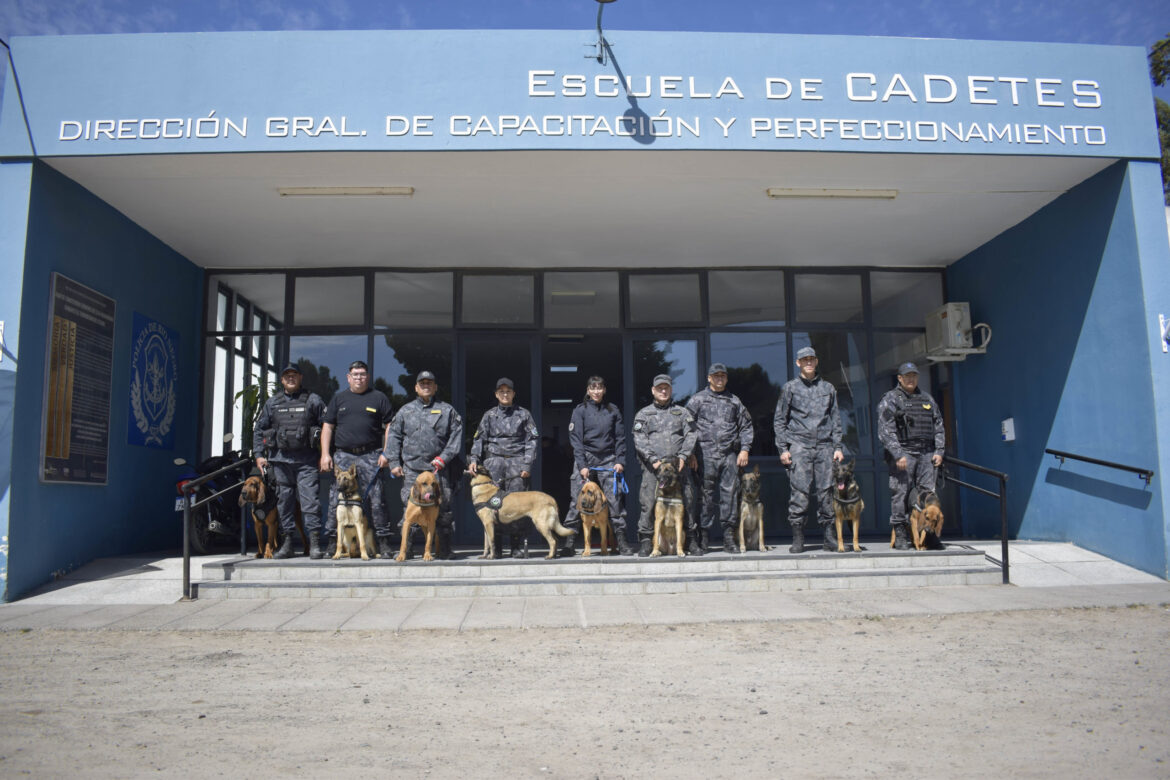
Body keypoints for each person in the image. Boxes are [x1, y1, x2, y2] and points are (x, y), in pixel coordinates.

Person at [318, 360, 395, 559]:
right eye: (355, 374)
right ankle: (333, 542)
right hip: (344, 455)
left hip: (371, 455)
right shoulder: (338, 398)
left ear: (367, 377)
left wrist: (386, 452)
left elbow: (390, 426)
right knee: (337, 499)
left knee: (377, 500)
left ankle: (384, 542)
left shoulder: (379, 397)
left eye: (362, 374)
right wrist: (325, 454)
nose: (359, 377)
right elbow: (328, 427)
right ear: (348, 377)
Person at [385, 371, 463, 560]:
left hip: (438, 471)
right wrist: (394, 462)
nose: (426, 386)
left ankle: (443, 549)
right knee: (410, 512)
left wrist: (444, 458)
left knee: (443, 509)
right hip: (412, 471)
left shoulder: (447, 410)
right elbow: (393, 437)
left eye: (430, 383)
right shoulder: (405, 411)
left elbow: (456, 437)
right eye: (422, 383)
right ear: (416, 387)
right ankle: (408, 549)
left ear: (435, 387)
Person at [773, 347, 844, 553]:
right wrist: (783, 449)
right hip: (800, 446)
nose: (808, 363)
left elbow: (836, 419)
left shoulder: (828, 388)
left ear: (817, 361)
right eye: (804, 360)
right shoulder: (790, 388)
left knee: (826, 493)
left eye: (811, 359)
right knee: (800, 493)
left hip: (824, 446)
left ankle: (829, 536)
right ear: (798, 363)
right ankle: (798, 537)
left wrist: (838, 446)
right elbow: (779, 420)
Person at [252, 363, 326, 559]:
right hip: (280, 461)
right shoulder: (272, 403)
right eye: (287, 376)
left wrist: (326, 454)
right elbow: (259, 429)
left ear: (300, 377)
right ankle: (286, 543)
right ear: (282, 380)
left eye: (294, 375)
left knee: (310, 502)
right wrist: (259, 455)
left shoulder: (313, 400)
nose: (291, 378)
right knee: (284, 503)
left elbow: (327, 427)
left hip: (306, 461)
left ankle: (315, 543)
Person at [685, 363, 754, 554]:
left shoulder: (734, 401)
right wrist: (689, 453)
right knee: (705, 498)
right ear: (709, 378)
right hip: (704, 456)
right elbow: (686, 428)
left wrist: (745, 450)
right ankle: (704, 536)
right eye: (716, 376)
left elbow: (746, 426)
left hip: (729, 456)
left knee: (729, 496)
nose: (719, 379)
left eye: (723, 376)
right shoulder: (697, 400)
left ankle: (728, 537)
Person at [563, 376, 634, 556]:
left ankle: (621, 541)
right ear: (588, 390)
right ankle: (570, 543)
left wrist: (620, 461)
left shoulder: (613, 410)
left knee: (614, 500)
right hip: (586, 458)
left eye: (599, 388)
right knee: (576, 500)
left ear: (604, 390)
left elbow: (620, 438)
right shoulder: (580, 411)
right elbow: (576, 440)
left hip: (608, 459)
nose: (596, 391)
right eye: (592, 388)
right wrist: (582, 465)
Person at [877, 362, 945, 550]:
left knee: (928, 496)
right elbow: (885, 430)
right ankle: (900, 533)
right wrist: (898, 454)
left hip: (926, 454)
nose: (910, 379)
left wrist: (939, 451)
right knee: (901, 494)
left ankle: (929, 535)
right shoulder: (891, 399)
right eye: (906, 376)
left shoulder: (927, 399)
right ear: (899, 378)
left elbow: (938, 426)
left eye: (913, 375)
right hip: (904, 454)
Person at [468, 377, 538, 558]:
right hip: (494, 465)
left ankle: (516, 546)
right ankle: (496, 547)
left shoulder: (524, 414)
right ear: (496, 394)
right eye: (501, 391)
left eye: (508, 391)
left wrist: (527, 463)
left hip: (517, 464)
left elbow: (532, 440)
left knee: (516, 505)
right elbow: (479, 439)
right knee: (494, 505)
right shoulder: (489, 415)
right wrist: (474, 459)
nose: (505, 394)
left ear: (513, 394)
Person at [632, 374, 698, 558]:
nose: (663, 391)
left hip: (678, 468)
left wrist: (685, 455)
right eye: (659, 388)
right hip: (654, 468)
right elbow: (639, 439)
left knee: (688, 501)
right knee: (648, 502)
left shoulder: (682, 413)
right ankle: (646, 541)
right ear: (653, 390)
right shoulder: (644, 414)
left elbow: (691, 434)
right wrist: (653, 459)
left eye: (666, 388)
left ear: (670, 390)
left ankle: (691, 539)